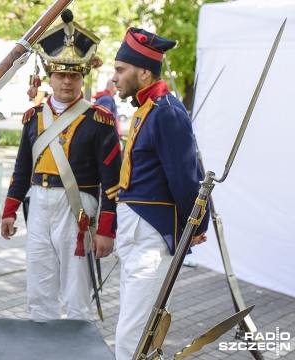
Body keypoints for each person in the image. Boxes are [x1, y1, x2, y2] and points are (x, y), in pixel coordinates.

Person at [0, 9, 121, 323]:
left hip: (77, 207)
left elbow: (112, 183)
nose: (67, 81)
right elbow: (22, 170)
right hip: (39, 204)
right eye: (60, 74)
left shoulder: (99, 120)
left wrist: (106, 230)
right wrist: (10, 210)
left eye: (74, 75)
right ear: (49, 76)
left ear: (82, 77)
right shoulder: (33, 118)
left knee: (76, 290)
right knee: (39, 285)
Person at [111, 27, 209, 359]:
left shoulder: (166, 110)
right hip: (137, 237)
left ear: (143, 71)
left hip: (150, 238)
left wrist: (198, 224)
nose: (115, 78)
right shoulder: (148, 107)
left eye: (120, 70)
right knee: (134, 330)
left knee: (132, 338)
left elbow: (186, 176)